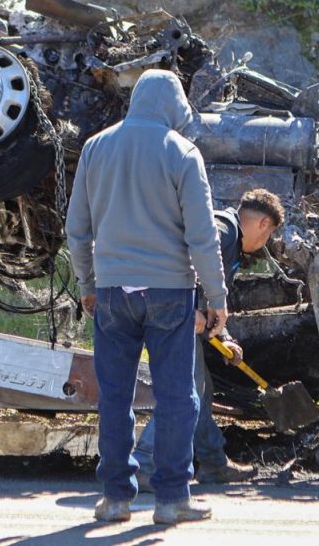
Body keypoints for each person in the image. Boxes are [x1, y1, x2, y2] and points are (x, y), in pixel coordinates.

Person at [66, 69, 229, 525]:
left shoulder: (96, 147)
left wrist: (87, 284)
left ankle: (116, 499)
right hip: (169, 291)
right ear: (172, 106)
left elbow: (77, 229)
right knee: (177, 396)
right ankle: (172, 498)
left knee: (115, 397)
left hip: (113, 292)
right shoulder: (182, 152)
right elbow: (202, 235)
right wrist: (216, 296)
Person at [133, 189, 285, 488]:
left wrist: (223, 335)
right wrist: (189, 307)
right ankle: (145, 463)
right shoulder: (224, 230)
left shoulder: (227, 238)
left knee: (200, 391)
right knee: (183, 391)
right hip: (172, 313)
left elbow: (211, 299)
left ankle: (214, 463)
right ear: (264, 223)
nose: (262, 245)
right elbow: (182, 257)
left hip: (173, 312)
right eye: (267, 238)